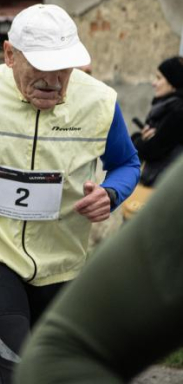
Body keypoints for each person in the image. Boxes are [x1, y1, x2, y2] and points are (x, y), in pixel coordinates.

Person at [0, 3, 141, 383]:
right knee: (23, 370)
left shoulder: (100, 102)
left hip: (61, 260)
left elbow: (127, 163)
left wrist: (111, 193)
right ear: (9, 55)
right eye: (40, 67)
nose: (53, 81)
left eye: (63, 68)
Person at [15, 155, 183, 383]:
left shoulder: (103, 118)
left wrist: (109, 192)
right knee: (12, 355)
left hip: (60, 254)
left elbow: (126, 161)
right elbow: (58, 357)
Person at [123, 56, 183, 221]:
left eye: (159, 78)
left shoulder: (177, 111)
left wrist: (139, 141)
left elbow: (152, 149)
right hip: (156, 185)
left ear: (173, 80)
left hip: (162, 189)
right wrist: (141, 139)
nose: (154, 83)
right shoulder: (165, 107)